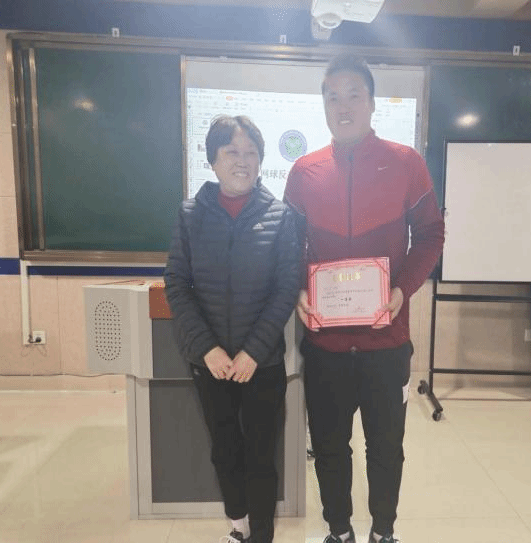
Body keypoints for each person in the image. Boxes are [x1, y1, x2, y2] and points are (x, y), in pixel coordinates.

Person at [284, 55, 445, 543]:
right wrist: (298, 287)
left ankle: (383, 532)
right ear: (324, 106)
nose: (343, 105)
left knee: (386, 449)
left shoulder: (406, 163)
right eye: (332, 96)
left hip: (386, 343)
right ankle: (339, 531)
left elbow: (431, 234)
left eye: (354, 94)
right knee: (330, 447)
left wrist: (401, 288)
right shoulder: (304, 171)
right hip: (325, 346)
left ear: (373, 103)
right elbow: (288, 245)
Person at [164, 115, 301, 543]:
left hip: (262, 362)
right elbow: (177, 284)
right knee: (224, 449)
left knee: (261, 455)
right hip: (211, 363)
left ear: (261, 160)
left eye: (251, 153)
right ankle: (238, 527)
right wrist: (207, 349)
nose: (242, 161)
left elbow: (286, 288)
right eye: (231, 152)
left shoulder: (281, 216)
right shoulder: (190, 215)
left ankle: (262, 535)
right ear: (213, 160)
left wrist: (254, 351)